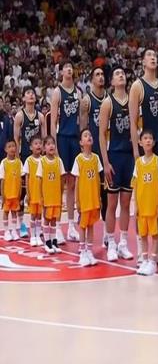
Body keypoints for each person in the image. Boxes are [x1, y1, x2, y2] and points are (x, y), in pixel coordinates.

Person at [129, 48, 158, 265]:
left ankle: (157, 247)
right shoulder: (137, 86)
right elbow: (132, 121)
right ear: (143, 61)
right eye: (149, 55)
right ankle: (141, 250)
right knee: (141, 199)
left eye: (155, 55)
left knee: (157, 200)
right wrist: (136, 151)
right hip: (144, 147)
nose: (154, 57)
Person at [99, 67, 134, 262]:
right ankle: (111, 242)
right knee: (111, 203)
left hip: (129, 157)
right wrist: (105, 162)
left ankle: (123, 243)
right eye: (117, 74)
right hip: (114, 156)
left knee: (126, 203)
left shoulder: (133, 101)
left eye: (123, 73)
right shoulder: (107, 103)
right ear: (112, 82)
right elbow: (102, 135)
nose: (121, 75)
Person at [50, 61, 84, 243]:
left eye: (71, 67)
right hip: (62, 138)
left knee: (72, 184)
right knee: (59, 183)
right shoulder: (57, 92)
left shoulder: (78, 92)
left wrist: (83, 139)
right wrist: (54, 145)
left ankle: (71, 226)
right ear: (61, 71)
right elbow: (53, 121)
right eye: (66, 67)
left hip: (74, 139)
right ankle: (56, 227)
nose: (69, 69)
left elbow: (82, 118)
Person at [132, 130, 158, 276]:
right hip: (142, 205)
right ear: (140, 142)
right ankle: (145, 260)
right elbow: (135, 186)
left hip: (153, 206)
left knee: (155, 235)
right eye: (145, 138)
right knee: (143, 235)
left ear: (153, 142)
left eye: (150, 138)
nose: (147, 140)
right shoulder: (138, 163)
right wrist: (136, 205)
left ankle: (153, 261)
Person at [13, 86, 46, 238]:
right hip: (25, 157)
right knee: (23, 192)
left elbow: (44, 138)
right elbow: (16, 139)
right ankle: (21, 225)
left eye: (33, 93)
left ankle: (39, 225)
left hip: (38, 159)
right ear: (23, 98)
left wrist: (44, 157)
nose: (31, 95)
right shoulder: (20, 116)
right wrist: (17, 159)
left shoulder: (41, 116)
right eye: (28, 93)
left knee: (39, 192)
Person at [72, 129, 102, 267]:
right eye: (85, 135)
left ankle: (89, 251)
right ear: (81, 142)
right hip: (84, 199)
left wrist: (99, 197)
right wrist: (77, 200)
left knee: (91, 225)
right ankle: (82, 251)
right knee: (83, 225)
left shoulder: (96, 158)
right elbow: (77, 182)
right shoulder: (78, 159)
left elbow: (98, 180)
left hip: (94, 198)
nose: (88, 137)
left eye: (90, 135)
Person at [81, 67, 108, 222]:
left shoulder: (109, 98)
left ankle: (106, 224)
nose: (100, 77)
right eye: (97, 74)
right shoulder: (87, 101)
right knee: (91, 186)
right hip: (93, 148)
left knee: (106, 188)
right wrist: (85, 150)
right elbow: (83, 128)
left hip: (108, 146)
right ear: (92, 80)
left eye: (102, 74)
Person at [36, 136, 65, 254]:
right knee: (47, 219)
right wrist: (41, 197)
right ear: (44, 148)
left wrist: (61, 194)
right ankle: (47, 242)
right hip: (47, 197)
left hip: (56, 196)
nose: (51, 146)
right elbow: (39, 181)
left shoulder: (59, 161)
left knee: (54, 219)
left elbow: (62, 179)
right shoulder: (42, 162)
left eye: (53, 143)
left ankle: (53, 241)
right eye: (48, 144)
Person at [22, 135, 43, 246]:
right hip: (32, 193)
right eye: (36, 143)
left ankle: (38, 235)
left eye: (40, 143)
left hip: (41, 194)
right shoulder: (29, 161)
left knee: (39, 215)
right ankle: (33, 236)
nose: (38, 145)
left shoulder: (44, 160)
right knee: (33, 215)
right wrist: (28, 193)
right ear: (31, 147)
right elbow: (26, 178)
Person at [0, 139, 23, 241]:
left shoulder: (19, 162)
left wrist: (20, 192)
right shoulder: (3, 163)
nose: (12, 148)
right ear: (5, 149)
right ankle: (6, 231)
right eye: (9, 147)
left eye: (13, 146)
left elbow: (21, 179)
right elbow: (2, 180)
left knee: (14, 212)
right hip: (7, 193)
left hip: (16, 193)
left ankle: (13, 230)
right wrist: (2, 195)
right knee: (6, 212)